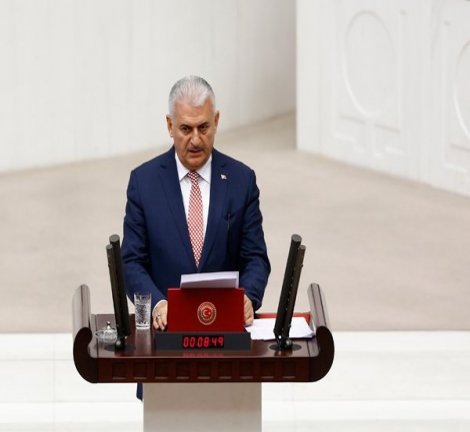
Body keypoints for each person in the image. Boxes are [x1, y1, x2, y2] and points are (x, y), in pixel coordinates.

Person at [122, 75, 270, 333]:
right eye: (185, 129)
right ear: (170, 125)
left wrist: (248, 297)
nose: (196, 140)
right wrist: (158, 304)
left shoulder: (241, 180)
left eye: (203, 127)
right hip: (166, 332)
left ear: (216, 121)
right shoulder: (144, 183)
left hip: (227, 329)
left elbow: (255, 257)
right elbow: (131, 262)